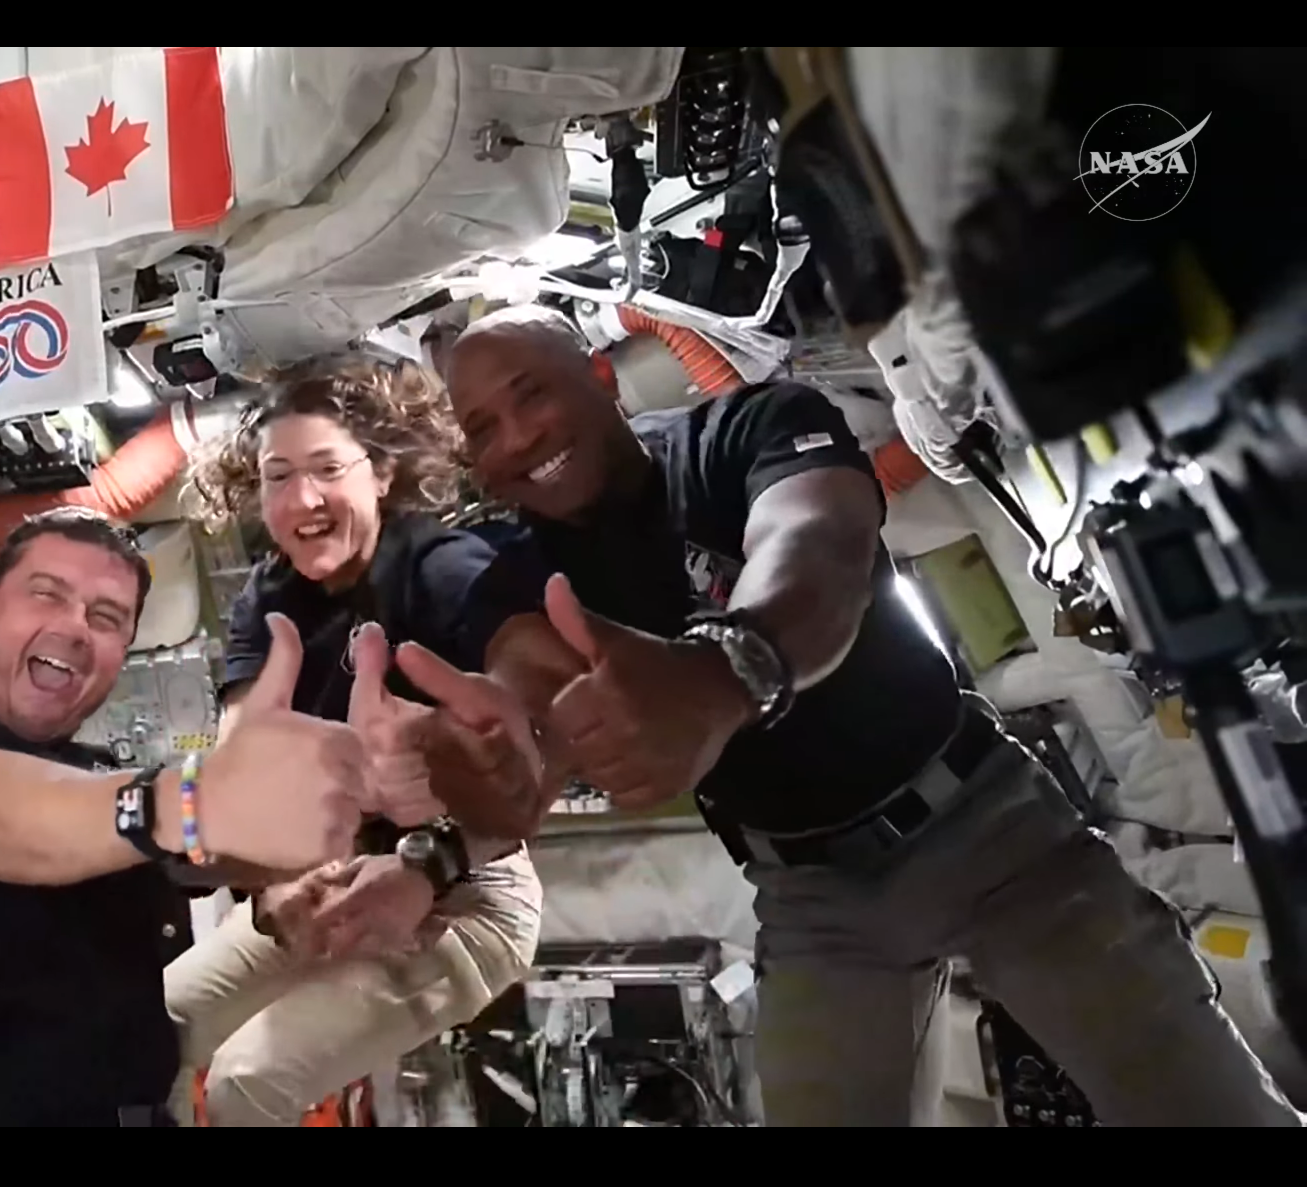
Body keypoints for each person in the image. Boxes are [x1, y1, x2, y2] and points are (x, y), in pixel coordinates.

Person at [442, 304, 1304, 1127]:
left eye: (531, 393)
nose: (518, 437)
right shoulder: (514, 572)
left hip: (992, 832)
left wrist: (727, 671)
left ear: (600, 376)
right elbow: (515, 679)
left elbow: (818, 541)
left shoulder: (747, 429)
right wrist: (473, 795)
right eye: (482, 428)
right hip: (813, 902)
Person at [0, 506, 371, 1127]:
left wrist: (310, 841)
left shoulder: (97, 776)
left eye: (106, 618)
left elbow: (191, 853)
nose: (75, 627)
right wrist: (190, 801)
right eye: (46, 594)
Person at [165, 353, 544, 1127]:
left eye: (327, 469)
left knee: (246, 1082)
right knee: (147, 1032)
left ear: (383, 473)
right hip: (328, 878)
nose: (302, 499)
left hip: (466, 890)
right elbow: (245, 770)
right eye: (277, 476)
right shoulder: (269, 597)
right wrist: (272, 883)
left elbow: (537, 709)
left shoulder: (439, 567)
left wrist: (431, 826)